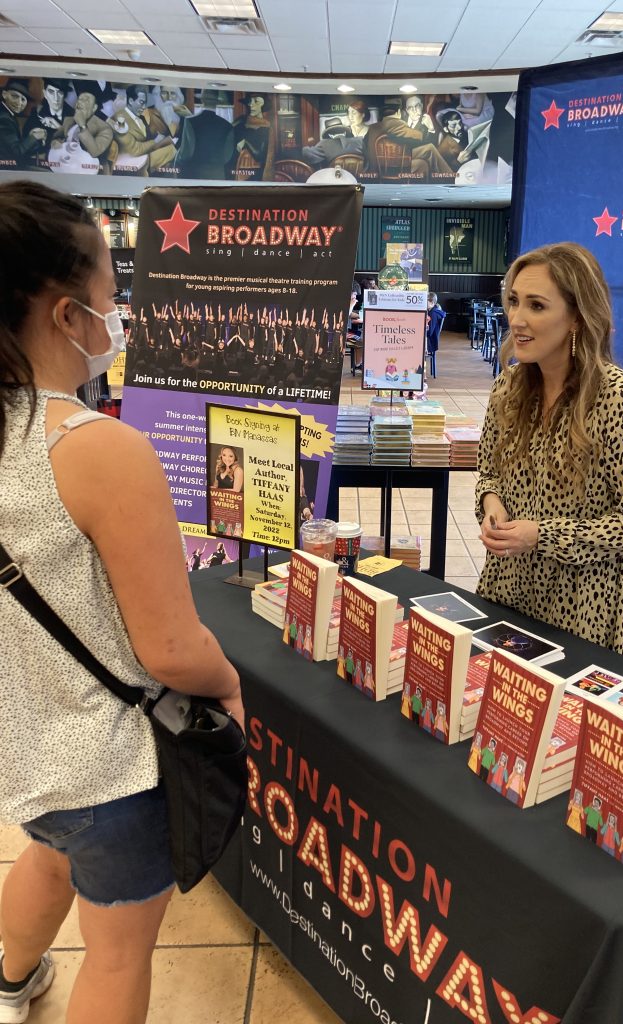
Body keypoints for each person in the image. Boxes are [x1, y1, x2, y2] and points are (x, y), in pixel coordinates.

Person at [0, 180, 243, 1023]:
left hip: (24, 742)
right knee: (117, 955)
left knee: (44, 856)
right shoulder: (103, 449)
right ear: (70, 316)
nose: (120, 311)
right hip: (111, 761)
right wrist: (228, 686)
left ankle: (11, 981)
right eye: (112, 293)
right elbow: (170, 647)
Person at [476, 242, 623, 660]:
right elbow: (488, 472)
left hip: (585, 611)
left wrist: (541, 535)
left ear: (577, 317)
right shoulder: (506, 388)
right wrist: (491, 505)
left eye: (537, 306)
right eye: (514, 301)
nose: (517, 319)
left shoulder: (618, 399)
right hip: (509, 590)